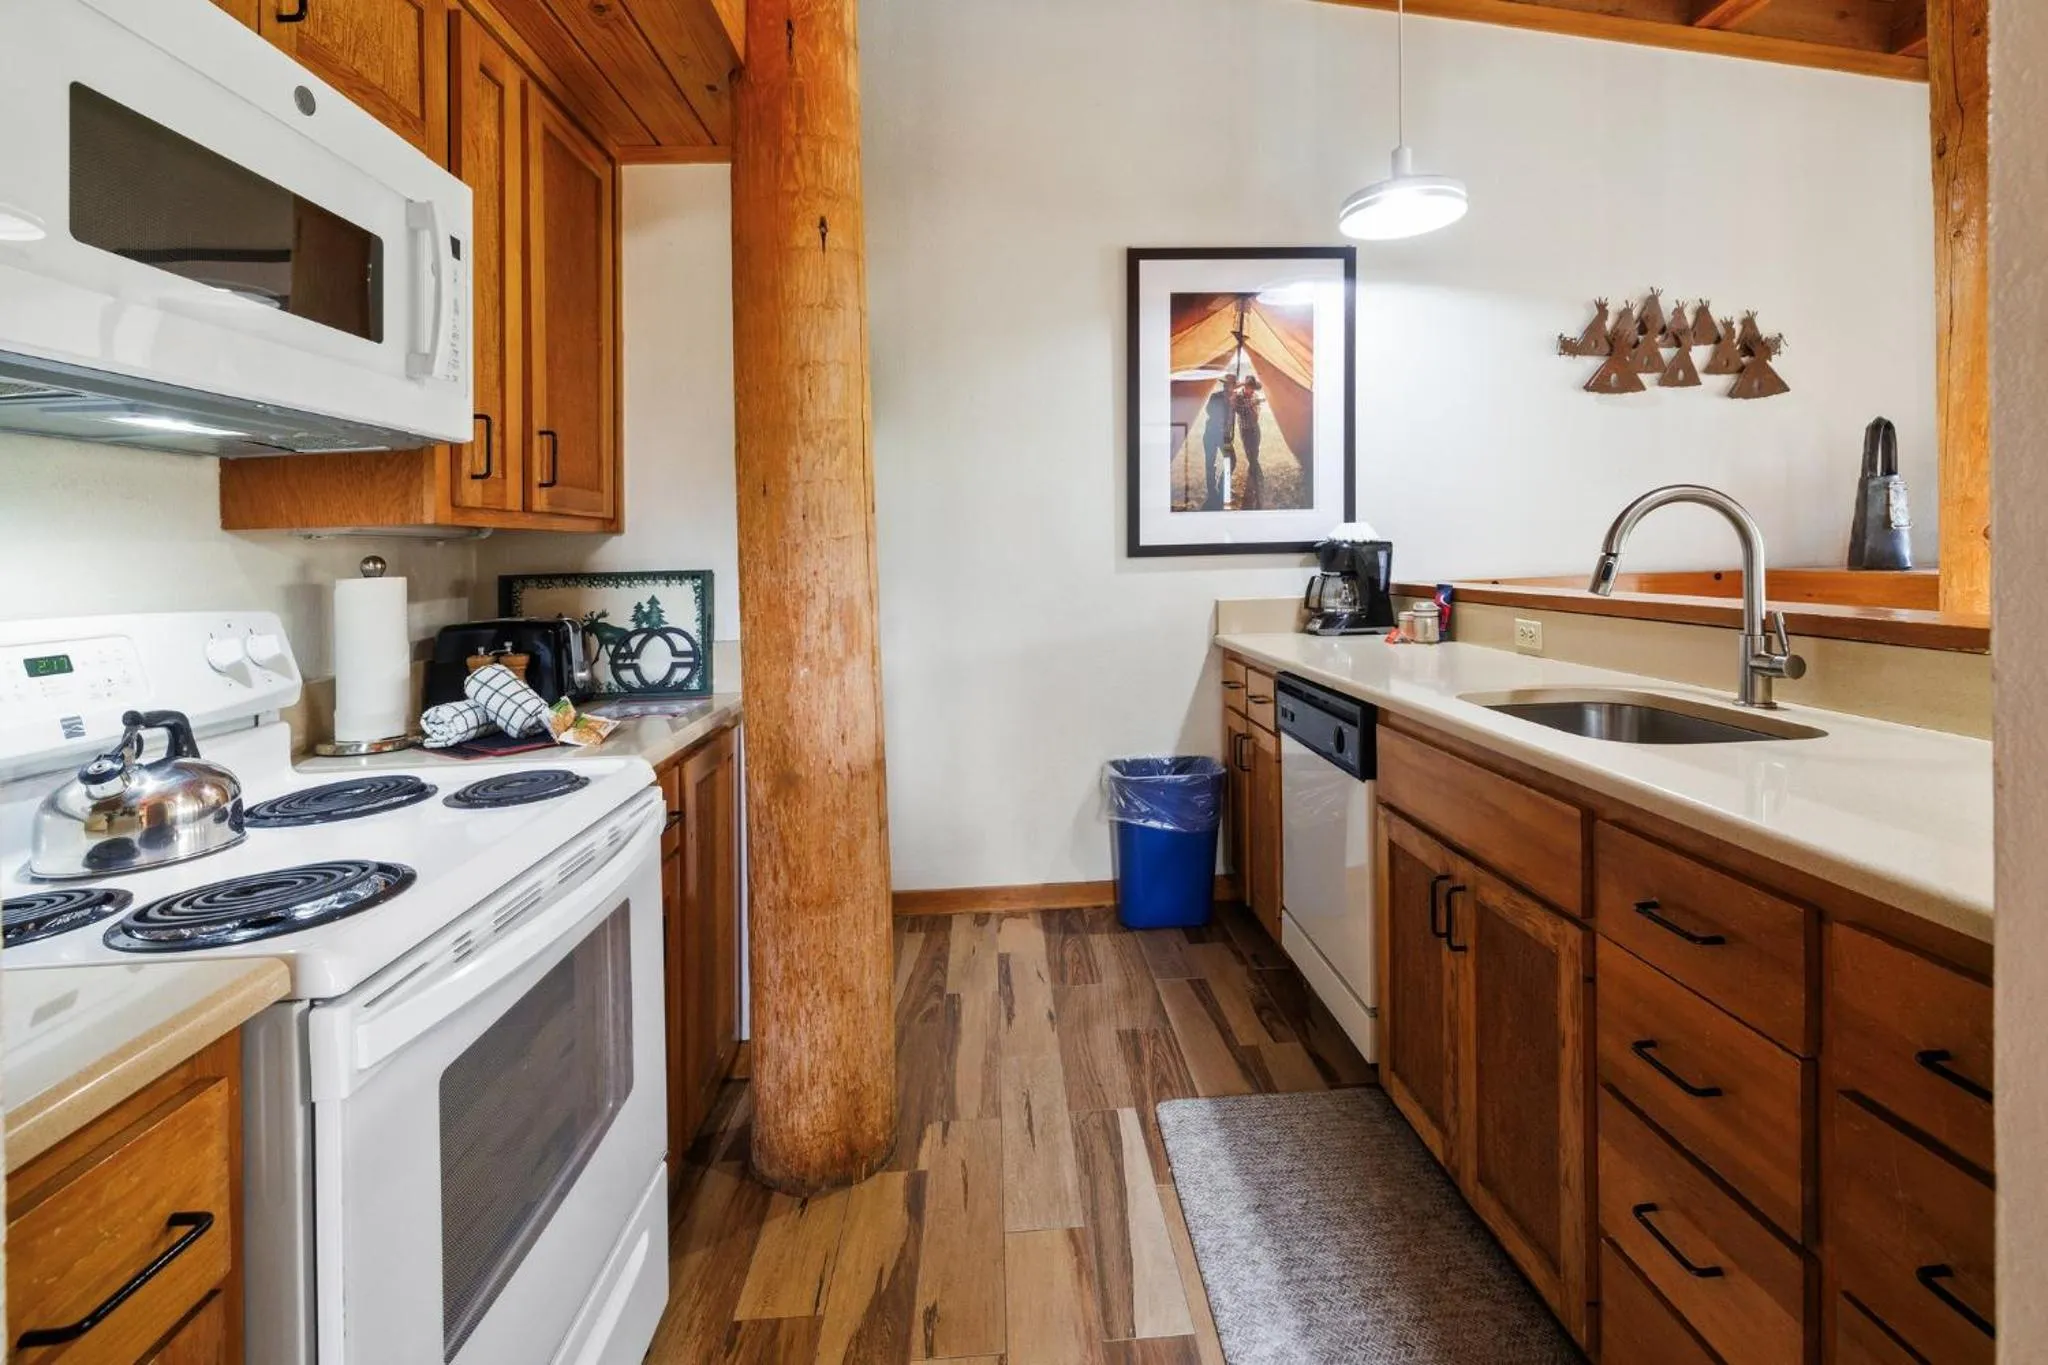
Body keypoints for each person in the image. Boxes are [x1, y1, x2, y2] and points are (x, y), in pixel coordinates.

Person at [1201, 376, 1238, 511]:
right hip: (1211, 435)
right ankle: (1212, 493)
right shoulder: (1215, 396)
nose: (1228, 386)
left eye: (1231, 385)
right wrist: (1226, 406)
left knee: (1232, 460)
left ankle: (1223, 486)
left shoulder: (1234, 399)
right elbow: (1209, 410)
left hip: (1225, 438)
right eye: (1227, 384)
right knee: (1210, 463)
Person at [1234, 375, 1266, 511]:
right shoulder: (1238, 397)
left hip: (1255, 427)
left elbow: (1257, 411)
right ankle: (1254, 474)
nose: (1252, 391)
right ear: (1245, 387)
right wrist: (1253, 404)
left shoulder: (1254, 395)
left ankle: (1254, 471)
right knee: (1249, 452)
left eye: (1253, 389)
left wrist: (1256, 406)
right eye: (1250, 389)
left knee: (1256, 449)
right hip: (1245, 429)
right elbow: (1240, 412)